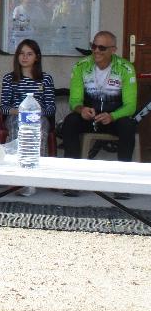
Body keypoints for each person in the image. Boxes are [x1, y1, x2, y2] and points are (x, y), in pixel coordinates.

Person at [59, 31, 138, 197]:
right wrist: (82, 110)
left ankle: (123, 184)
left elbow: (130, 106)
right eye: (93, 46)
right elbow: (74, 100)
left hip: (113, 118)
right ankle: (71, 180)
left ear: (113, 50)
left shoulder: (126, 68)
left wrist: (113, 116)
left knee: (129, 126)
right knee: (70, 122)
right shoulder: (81, 67)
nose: (96, 51)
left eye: (102, 47)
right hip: (90, 116)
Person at [0, 38, 56, 196]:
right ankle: (18, 177)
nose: (24, 57)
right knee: (19, 129)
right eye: (21, 54)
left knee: (40, 129)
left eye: (29, 54)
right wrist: (20, 112)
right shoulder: (9, 79)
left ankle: (34, 178)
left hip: (39, 117)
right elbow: (4, 108)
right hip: (16, 116)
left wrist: (35, 113)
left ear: (36, 57)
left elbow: (51, 108)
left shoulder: (45, 79)